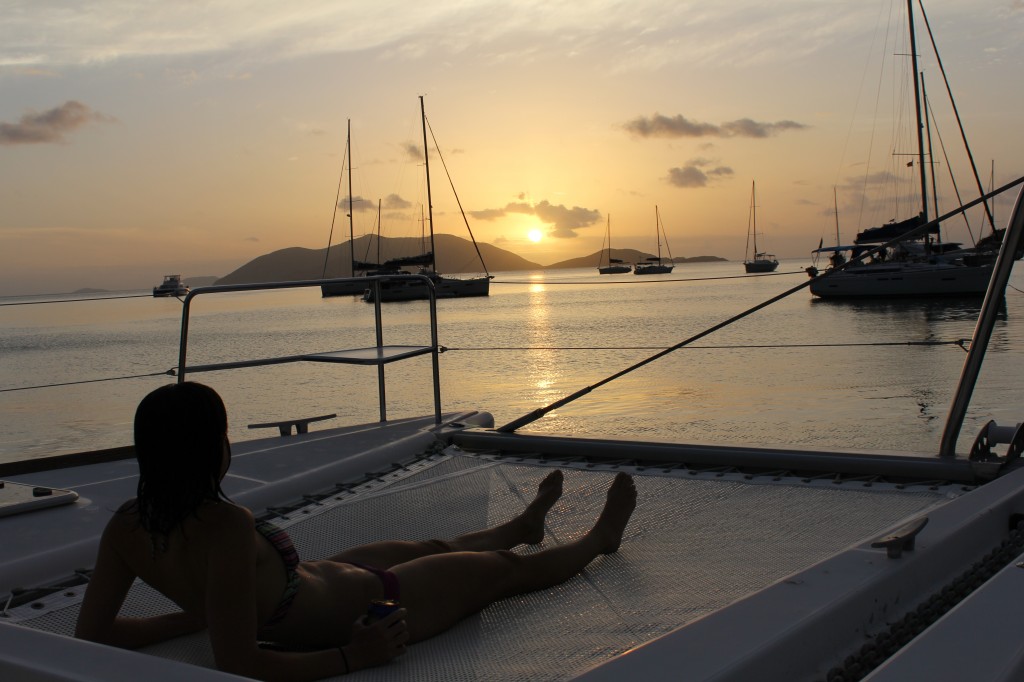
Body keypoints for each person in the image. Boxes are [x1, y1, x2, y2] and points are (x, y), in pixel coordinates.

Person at [75, 382, 638, 681]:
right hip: (375, 607)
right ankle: (597, 540)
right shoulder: (224, 526)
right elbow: (239, 664)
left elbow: (95, 632)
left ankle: (520, 524)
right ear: (210, 449)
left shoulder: (126, 526)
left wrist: (199, 613)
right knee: (504, 575)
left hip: (318, 580)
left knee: (431, 548)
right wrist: (353, 657)